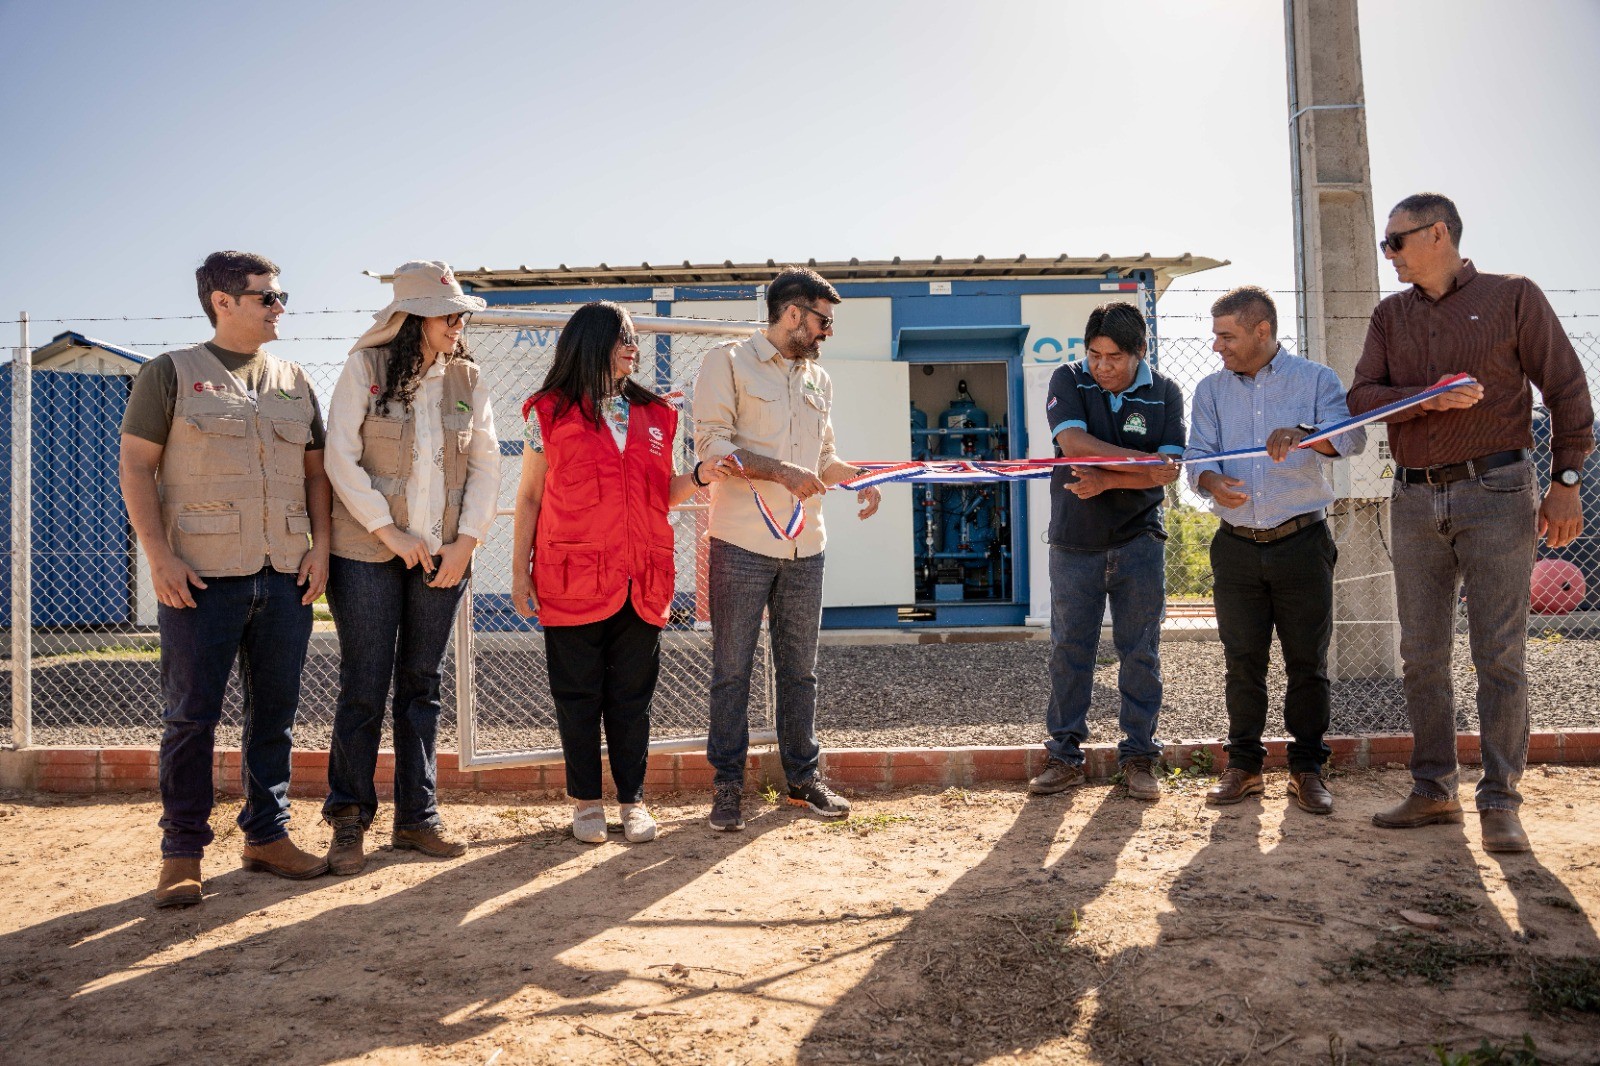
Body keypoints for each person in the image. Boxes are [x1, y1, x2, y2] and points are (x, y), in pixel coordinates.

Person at [1349, 192, 1593, 852]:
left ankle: (1500, 800)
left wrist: (1566, 482)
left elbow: (1568, 390)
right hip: (1414, 499)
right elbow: (1361, 397)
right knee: (1421, 654)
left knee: (1499, 653)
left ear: (1437, 235)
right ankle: (1433, 791)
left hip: (1499, 493)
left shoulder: (1513, 296)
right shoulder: (1390, 316)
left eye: (1395, 242)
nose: (1389, 255)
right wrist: (1424, 400)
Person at [119, 251, 331, 908]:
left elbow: (316, 473)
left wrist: (321, 546)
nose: (280, 307)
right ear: (223, 301)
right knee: (190, 718)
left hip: (285, 576)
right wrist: (158, 556)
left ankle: (266, 836)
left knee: (276, 716)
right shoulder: (170, 374)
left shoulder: (295, 379)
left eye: (280, 295)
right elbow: (135, 469)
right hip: (201, 580)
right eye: (267, 297)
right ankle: (181, 852)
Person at [511, 302, 732, 844]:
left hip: (642, 577)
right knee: (578, 694)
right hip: (571, 577)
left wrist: (700, 474)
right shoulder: (549, 413)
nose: (632, 347)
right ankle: (587, 802)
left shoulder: (658, 415)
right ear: (590, 344)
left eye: (633, 338)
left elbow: (664, 493)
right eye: (620, 339)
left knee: (633, 698)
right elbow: (531, 496)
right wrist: (521, 573)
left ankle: (633, 801)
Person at [320, 261, 501, 874]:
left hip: (443, 557)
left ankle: (417, 820)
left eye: (458, 315)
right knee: (364, 686)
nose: (457, 324)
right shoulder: (364, 370)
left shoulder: (468, 379)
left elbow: (485, 467)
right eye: (448, 315)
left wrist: (467, 542)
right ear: (414, 318)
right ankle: (349, 819)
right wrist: (388, 531)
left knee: (421, 686)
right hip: (367, 554)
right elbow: (341, 459)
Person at [691, 266, 883, 831]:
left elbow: (825, 459)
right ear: (794, 313)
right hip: (741, 545)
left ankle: (803, 782)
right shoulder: (725, 363)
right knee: (732, 670)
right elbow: (714, 448)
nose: (828, 332)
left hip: (807, 547)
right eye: (823, 321)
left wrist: (859, 477)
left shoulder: (819, 381)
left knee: (801, 671)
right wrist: (780, 471)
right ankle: (727, 788)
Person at [1185, 286, 1365, 815]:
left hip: (1302, 544)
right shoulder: (1211, 391)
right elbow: (1197, 455)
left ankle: (1307, 770)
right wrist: (1213, 483)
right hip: (1236, 547)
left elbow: (1350, 439)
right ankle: (1244, 767)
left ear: (1261, 331)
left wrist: (1307, 435)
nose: (1217, 346)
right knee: (1242, 661)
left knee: (1307, 663)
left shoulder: (1316, 380)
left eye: (1227, 335)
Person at [1027, 302, 1185, 802]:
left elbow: (1170, 472)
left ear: (1141, 351)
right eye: (1094, 354)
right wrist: (1139, 465)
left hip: (1140, 540)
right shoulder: (1067, 379)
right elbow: (1072, 442)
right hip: (1074, 542)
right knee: (1070, 651)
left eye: (1114, 357)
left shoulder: (1166, 394)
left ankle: (1139, 758)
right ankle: (1064, 757)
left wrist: (1107, 477)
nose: (1102, 366)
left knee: (1140, 652)